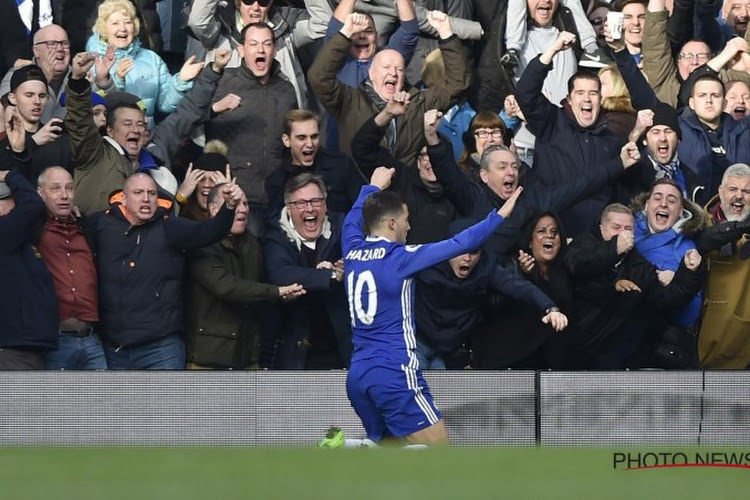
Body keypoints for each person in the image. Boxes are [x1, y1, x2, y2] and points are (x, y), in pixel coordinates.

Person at [340, 166, 523, 446]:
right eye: (405, 220)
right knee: (440, 455)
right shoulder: (401, 257)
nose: (409, 227)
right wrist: (498, 216)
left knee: (388, 451)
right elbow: (462, 242)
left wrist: (372, 187)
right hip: (394, 372)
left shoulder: (351, 248)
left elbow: (352, 219)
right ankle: (348, 450)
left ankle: (358, 449)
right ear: (391, 224)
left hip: (358, 375)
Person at [90, 172, 245, 370]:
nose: (146, 199)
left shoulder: (169, 226)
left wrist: (229, 207)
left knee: (167, 402)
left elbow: (208, 231)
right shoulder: (101, 224)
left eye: (152, 193)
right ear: (124, 198)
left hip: (161, 349)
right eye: (138, 192)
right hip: (116, 350)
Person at [66, 48, 231, 214]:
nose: (136, 129)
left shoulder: (156, 152)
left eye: (140, 124)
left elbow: (189, 111)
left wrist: (214, 70)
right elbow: (80, 122)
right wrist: (78, 79)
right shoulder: (94, 153)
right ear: (110, 130)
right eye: (127, 123)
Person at [309, 10, 469, 165]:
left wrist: (446, 34)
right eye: (386, 67)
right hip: (358, 186)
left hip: (403, 187)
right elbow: (318, 77)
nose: (393, 73)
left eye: (399, 69)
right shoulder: (350, 100)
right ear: (371, 72)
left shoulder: (417, 102)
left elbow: (457, 83)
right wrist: (345, 33)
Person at [414, 217, 567, 370]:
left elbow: (518, 286)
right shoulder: (427, 260)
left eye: (473, 252)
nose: (467, 259)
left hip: (450, 349)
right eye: (461, 252)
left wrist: (549, 308)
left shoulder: (486, 266)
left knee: (441, 392)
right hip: (418, 343)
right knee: (412, 389)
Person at [564, 203, 705, 368]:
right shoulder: (584, 244)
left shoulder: (638, 264)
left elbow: (667, 299)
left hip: (611, 354)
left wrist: (689, 272)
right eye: (616, 228)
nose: (623, 234)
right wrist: (613, 250)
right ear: (602, 228)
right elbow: (576, 267)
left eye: (628, 229)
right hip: (573, 345)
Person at [515, 31, 624, 236]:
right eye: (580, 93)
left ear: (601, 99)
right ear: (569, 99)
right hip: (555, 234)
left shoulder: (610, 139)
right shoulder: (551, 121)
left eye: (593, 93)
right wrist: (553, 50)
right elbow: (525, 92)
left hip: (594, 241)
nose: (587, 99)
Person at [186, 184, 305, 369]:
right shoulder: (200, 243)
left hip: (248, 357)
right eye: (234, 204)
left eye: (246, 203)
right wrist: (276, 291)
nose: (242, 209)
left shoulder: (253, 244)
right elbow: (225, 286)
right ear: (214, 210)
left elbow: (263, 289)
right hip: (209, 359)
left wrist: (286, 294)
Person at [204, 22, 298, 234]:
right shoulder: (223, 82)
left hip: (279, 196)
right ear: (241, 50)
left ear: (274, 49)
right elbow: (191, 120)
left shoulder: (286, 90)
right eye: (253, 44)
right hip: (238, 196)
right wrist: (216, 107)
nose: (260, 50)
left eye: (266, 44)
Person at [262, 174, 352, 369]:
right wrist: (331, 276)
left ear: (325, 205)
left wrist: (348, 267)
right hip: (295, 353)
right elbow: (281, 274)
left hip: (341, 348)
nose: (310, 208)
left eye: (316, 201)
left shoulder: (343, 227)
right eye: (301, 203)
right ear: (289, 208)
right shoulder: (276, 236)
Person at [351, 93, 456, 244]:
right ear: (418, 162)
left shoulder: (457, 191)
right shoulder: (402, 179)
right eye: (425, 156)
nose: (431, 162)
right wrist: (387, 114)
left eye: (437, 158)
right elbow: (362, 148)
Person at [187, 0, 332, 109]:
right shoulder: (220, 26)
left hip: (280, 123)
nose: (256, 7)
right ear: (238, 3)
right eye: (249, 0)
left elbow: (323, 24)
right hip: (227, 123)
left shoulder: (286, 24)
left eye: (263, 1)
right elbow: (197, 22)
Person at [0, 107, 58, 369]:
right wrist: (10, 175)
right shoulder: (4, 232)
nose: (12, 204)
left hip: (26, 345)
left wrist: (19, 153)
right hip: (13, 350)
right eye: (7, 199)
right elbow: (33, 204)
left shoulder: (15, 234)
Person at [86, 0, 203, 128]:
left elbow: (165, 104)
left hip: (145, 137)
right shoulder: (93, 61)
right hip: (109, 140)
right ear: (103, 29)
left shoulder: (152, 59)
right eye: (115, 23)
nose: (123, 28)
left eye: (128, 22)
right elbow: (94, 108)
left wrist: (181, 81)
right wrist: (116, 80)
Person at [36, 166, 106, 370]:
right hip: (55, 341)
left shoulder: (86, 228)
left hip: (92, 338)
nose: (64, 195)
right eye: (55, 188)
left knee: (105, 400)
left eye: (69, 188)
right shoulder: (34, 228)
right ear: (40, 193)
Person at [264, 109, 362, 222]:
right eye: (302, 138)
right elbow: (276, 224)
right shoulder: (277, 181)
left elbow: (363, 206)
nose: (310, 144)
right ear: (287, 140)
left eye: (314, 137)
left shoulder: (341, 165)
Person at [699, 163, 750, 368]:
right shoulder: (699, 224)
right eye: (733, 189)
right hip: (698, 335)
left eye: (747, 191)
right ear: (720, 192)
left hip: (739, 344)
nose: (739, 196)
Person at [2, 64, 71, 182]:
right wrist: (33, 142)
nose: (37, 101)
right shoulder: (3, 139)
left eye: (42, 96)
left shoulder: (60, 140)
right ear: (13, 98)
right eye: (29, 95)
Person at [0, 24, 71, 123]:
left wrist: (100, 82)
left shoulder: (80, 75)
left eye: (64, 43)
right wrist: (44, 78)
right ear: (36, 51)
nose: (60, 49)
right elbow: (6, 107)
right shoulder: (17, 74)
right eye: (51, 44)